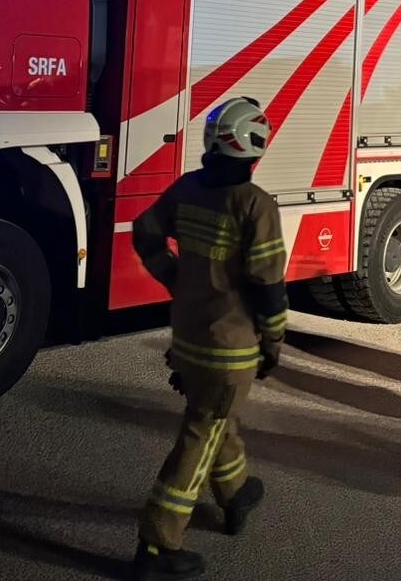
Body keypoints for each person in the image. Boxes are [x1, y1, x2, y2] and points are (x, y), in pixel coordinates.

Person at [128, 96, 287, 580]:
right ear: (254, 151)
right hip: (229, 348)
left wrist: (175, 279)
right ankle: (157, 548)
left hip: (188, 339)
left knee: (214, 417)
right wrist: (273, 342)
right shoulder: (255, 206)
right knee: (200, 434)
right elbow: (267, 285)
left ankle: (236, 490)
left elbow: (144, 233)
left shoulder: (186, 190)